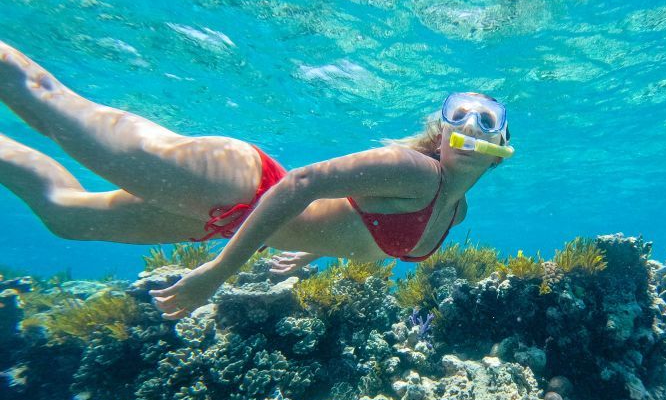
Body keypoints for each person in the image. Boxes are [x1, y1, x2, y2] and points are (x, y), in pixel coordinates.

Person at [0, 40, 512, 319]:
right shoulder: (415, 172)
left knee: (63, 214)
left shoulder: (455, 211)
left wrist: (313, 247)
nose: (470, 124)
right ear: (441, 132)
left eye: (487, 121)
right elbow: (302, 185)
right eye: (458, 115)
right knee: (54, 109)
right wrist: (218, 273)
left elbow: (363, 220)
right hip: (238, 185)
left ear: (499, 151)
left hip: (228, 221)